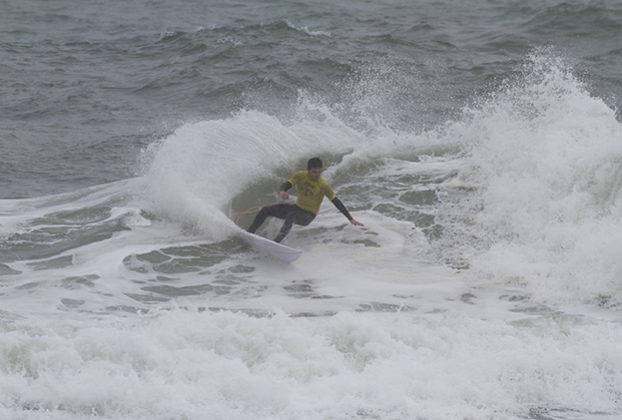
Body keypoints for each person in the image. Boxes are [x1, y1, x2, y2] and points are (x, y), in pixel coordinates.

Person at [247, 157, 363, 242]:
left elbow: (336, 202)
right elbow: (286, 184)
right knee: (266, 210)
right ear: (308, 170)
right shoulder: (300, 176)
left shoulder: (323, 185)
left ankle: (276, 242)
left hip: (308, 215)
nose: (316, 174)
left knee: (291, 215)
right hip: (297, 208)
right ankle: (249, 233)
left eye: (319, 172)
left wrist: (350, 218)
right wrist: (283, 191)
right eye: (314, 172)